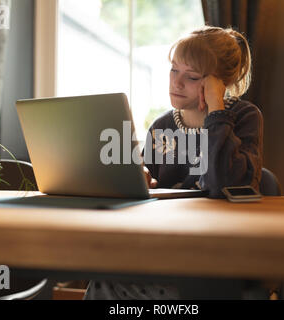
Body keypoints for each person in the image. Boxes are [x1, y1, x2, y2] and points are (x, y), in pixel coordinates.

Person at [84, 26, 265, 300]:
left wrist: (216, 111)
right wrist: (140, 180)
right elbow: (148, 198)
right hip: (168, 250)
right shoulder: (162, 127)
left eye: (191, 76)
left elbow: (221, 185)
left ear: (220, 84)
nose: (176, 83)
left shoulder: (244, 117)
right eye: (173, 70)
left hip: (218, 256)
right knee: (105, 278)